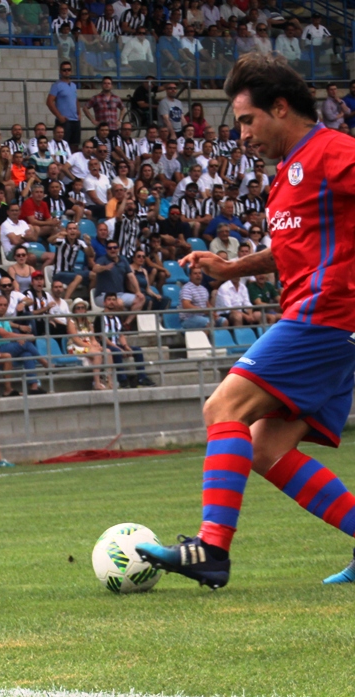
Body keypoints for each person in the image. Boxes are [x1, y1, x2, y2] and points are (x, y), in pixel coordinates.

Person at [135, 63, 355, 590]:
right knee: (265, 447)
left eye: (248, 120)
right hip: (323, 317)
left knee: (224, 408)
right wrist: (231, 268)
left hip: (329, 314)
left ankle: (210, 549)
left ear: (281, 108)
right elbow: (291, 250)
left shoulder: (333, 151)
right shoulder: (287, 174)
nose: (243, 135)